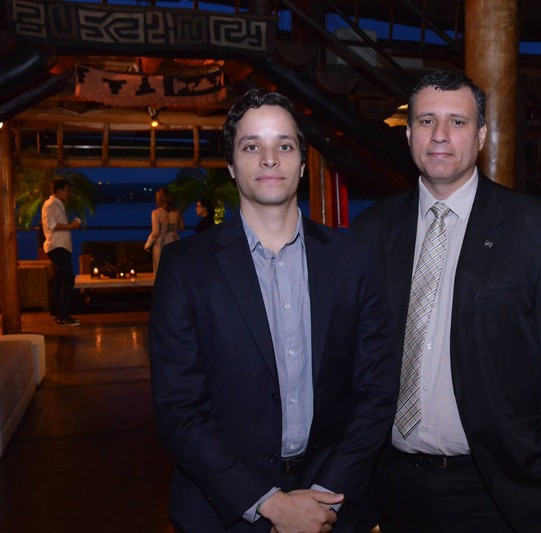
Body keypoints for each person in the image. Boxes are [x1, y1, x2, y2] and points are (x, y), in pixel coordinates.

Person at [351, 70, 541, 532]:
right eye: (426, 121)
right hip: (391, 483)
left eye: (457, 122)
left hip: (497, 488)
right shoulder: (370, 231)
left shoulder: (540, 231)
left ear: (481, 136)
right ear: (409, 135)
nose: (440, 135)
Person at [149, 89, 400, 533]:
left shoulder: (353, 259)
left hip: (336, 503)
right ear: (231, 165)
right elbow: (179, 408)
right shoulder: (186, 267)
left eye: (284, 145)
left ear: (302, 163)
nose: (269, 159)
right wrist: (267, 503)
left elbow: (377, 390)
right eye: (252, 146)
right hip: (223, 507)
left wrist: (328, 492)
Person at [41, 178, 82, 326]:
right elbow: (51, 225)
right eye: (66, 191)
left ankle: (59, 314)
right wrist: (71, 226)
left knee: (60, 280)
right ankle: (63, 315)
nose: (68, 194)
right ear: (59, 191)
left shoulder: (58, 205)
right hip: (57, 246)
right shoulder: (51, 204)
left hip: (61, 246)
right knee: (68, 279)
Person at [144, 188, 184, 273]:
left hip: (161, 243)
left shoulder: (156, 213)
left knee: (161, 269)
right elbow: (181, 227)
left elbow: (156, 232)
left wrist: (148, 244)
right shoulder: (177, 213)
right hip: (174, 240)